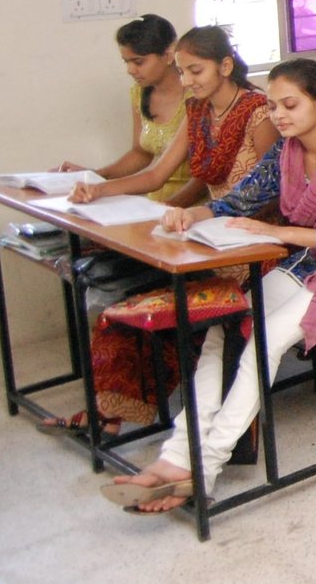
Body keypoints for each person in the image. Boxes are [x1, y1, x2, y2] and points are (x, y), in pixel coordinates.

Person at [101, 59, 316, 514]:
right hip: (308, 261)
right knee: (223, 328)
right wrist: (194, 214)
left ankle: (203, 468)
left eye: (290, 105)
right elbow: (241, 198)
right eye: (273, 106)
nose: (279, 115)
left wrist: (278, 233)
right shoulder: (287, 150)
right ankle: (175, 458)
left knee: (264, 339)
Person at [53, 25, 275, 435]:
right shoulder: (198, 112)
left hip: (253, 245)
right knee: (128, 308)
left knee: (177, 310)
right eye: (182, 71)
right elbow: (156, 175)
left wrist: (213, 217)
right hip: (205, 236)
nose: (187, 81)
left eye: (196, 71)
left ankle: (171, 412)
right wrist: (98, 188)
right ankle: (108, 413)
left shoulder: (259, 112)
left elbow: (276, 193)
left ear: (225, 66)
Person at [59, 14, 196, 205]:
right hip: (155, 202)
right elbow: (141, 154)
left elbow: (201, 179)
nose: (130, 70)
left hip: (189, 204)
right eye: (127, 62)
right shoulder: (139, 93)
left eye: (138, 62)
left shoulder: (196, 98)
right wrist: (95, 175)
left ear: (168, 56)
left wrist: (168, 208)